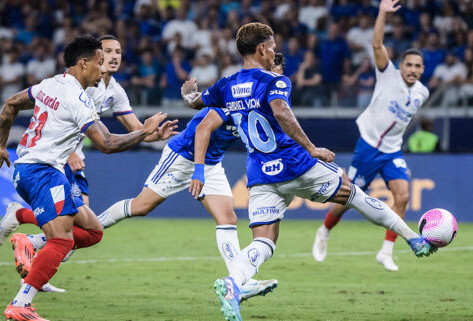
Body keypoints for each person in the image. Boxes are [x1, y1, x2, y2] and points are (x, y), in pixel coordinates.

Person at [182, 20, 435, 321]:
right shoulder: (276, 80)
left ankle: (232, 284)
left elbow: (198, 102)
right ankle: (412, 238)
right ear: (262, 49)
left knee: (264, 242)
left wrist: (189, 94)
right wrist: (312, 148)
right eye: (273, 47)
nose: (275, 52)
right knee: (352, 193)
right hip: (295, 164)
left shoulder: (227, 85)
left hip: (261, 175)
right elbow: (281, 111)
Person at [0, 35, 169, 321]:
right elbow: (107, 144)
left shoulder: (50, 83)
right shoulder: (79, 99)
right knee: (61, 241)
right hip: (43, 172)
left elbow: (10, 105)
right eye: (99, 62)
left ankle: (28, 240)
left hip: (31, 169)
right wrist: (144, 132)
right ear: (83, 63)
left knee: (93, 232)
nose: (102, 69)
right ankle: (20, 304)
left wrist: (1, 144)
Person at [95, 55, 289, 305]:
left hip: (211, 162)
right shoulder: (237, 93)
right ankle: (85, 228)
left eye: (280, 74)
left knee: (227, 218)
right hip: (184, 156)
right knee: (141, 207)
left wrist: (190, 95)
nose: (277, 79)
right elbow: (202, 129)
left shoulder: (262, 100)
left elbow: (200, 102)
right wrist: (197, 170)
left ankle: (238, 282)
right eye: (274, 72)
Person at [311, 0, 431, 272]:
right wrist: (382, 12)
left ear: (422, 70)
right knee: (345, 199)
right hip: (367, 147)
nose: (413, 70)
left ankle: (386, 251)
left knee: (402, 196)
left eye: (418, 66)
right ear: (400, 66)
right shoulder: (388, 75)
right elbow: (377, 45)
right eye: (409, 65)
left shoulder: (422, 92)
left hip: (392, 152)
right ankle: (325, 230)